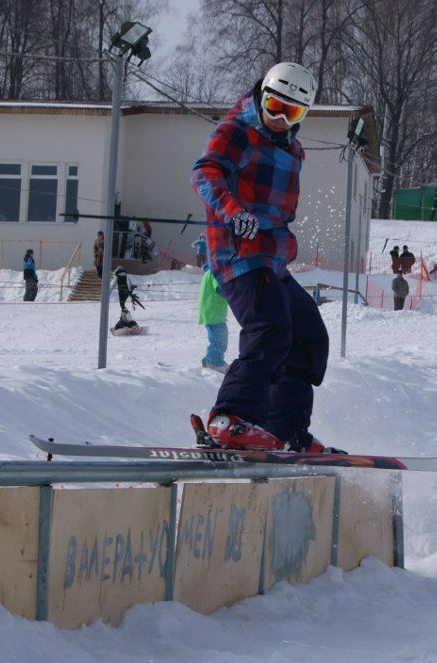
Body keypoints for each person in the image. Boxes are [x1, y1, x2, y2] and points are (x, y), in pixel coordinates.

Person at [190, 60, 334, 453]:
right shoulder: (237, 131)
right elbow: (205, 172)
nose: (279, 119)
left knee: (306, 337)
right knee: (270, 330)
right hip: (238, 255)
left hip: (272, 259)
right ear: (260, 96)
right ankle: (228, 418)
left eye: (292, 112)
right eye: (274, 106)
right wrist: (233, 211)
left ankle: (286, 431)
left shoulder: (293, 148)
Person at [198, 248, 229, 373]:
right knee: (220, 337)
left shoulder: (208, 272)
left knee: (217, 336)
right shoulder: (215, 273)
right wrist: (232, 293)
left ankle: (211, 359)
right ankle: (214, 361)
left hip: (211, 312)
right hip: (213, 312)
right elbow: (221, 289)